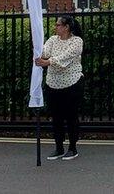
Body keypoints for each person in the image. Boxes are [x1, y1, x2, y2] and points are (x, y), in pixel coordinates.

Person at [35, 15, 84, 161]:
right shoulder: (52, 40)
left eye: (58, 25)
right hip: (53, 83)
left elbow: (65, 57)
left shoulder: (76, 41)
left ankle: (72, 148)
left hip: (72, 83)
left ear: (66, 27)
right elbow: (44, 52)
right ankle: (59, 147)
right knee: (56, 117)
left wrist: (47, 62)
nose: (55, 27)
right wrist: (37, 49)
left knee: (71, 116)